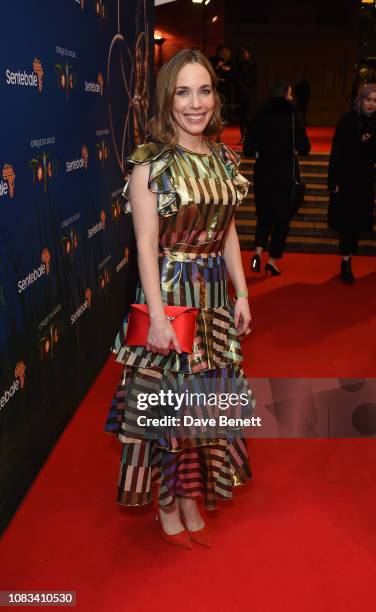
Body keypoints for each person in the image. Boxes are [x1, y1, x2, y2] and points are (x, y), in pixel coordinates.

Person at [104, 48, 256, 549]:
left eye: (205, 90)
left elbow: (228, 230)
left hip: (213, 296)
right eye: (183, 92)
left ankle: (191, 493)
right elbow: (146, 244)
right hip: (171, 295)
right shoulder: (153, 163)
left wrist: (242, 291)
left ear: (216, 95)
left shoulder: (223, 158)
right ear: (167, 98)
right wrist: (158, 316)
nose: (196, 103)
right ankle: (168, 500)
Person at [244, 80, 311, 275]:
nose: (292, 98)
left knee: (264, 216)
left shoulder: (260, 113)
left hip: (263, 172)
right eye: (290, 95)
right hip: (285, 174)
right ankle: (271, 262)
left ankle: (257, 254)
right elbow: (305, 148)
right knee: (282, 219)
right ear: (285, 96)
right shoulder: (292, 115)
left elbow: (248, 148)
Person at [328, 83, 376, 284]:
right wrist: (333, 180)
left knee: (359, 223)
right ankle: (345, 261)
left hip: (366, 181)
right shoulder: (347, 121)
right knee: (347, 224)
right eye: (369, 99)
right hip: (347, 180)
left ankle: (350, 256)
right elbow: (337, 152)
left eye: (375, 101)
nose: (372, 104)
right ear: (361, 100)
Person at [237, 46, 258, 143]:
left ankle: (249, 137)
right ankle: (242, 136)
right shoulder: (241, 64)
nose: (244, 55)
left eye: (245, 53)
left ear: (249, 54)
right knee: (242, 116)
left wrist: (247, 83)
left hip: (249, 93)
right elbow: (238, 76)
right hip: (242, 93)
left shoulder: (253, 64)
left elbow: (255, 79)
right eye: (243, 53)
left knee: (249, 115)